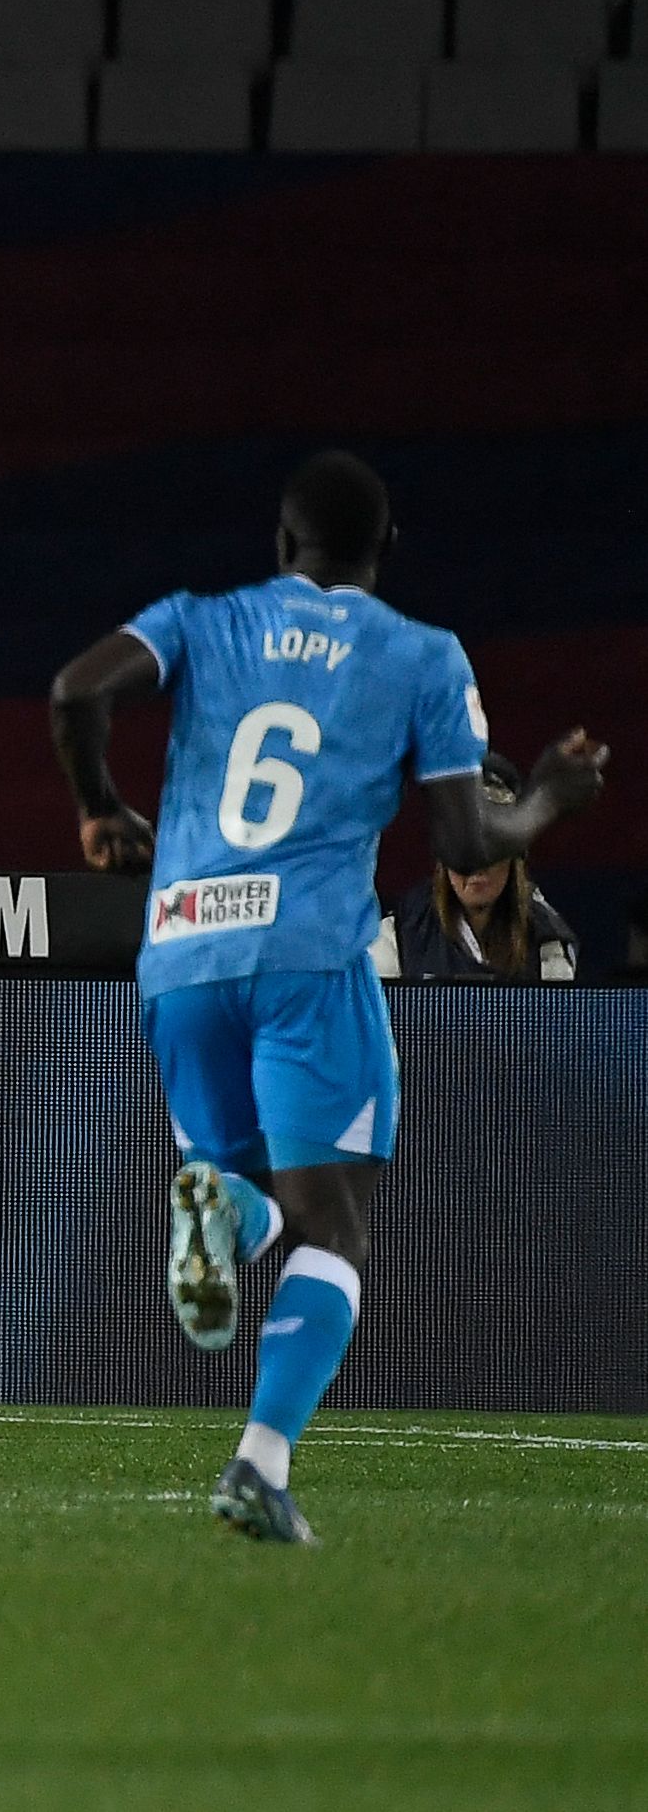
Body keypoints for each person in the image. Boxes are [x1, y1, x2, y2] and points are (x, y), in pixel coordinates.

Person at [48, 450, 607, 1544]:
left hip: (183, 952)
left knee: (247, 1180)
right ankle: (259, 1462)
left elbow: (75, 690)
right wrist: (542, 798)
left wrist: (98, 807)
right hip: (306, 955)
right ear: (382, 553)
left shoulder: (198, 620)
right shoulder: (416, 654)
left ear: (278, 544)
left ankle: (222, 1214)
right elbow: (460, 838)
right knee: (336, 1229)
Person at [379, 758, 585, 983]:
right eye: (464, 845)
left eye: (492, 845)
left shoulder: (548, 945)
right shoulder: (395, 936)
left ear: (515, 853)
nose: (477, 864)